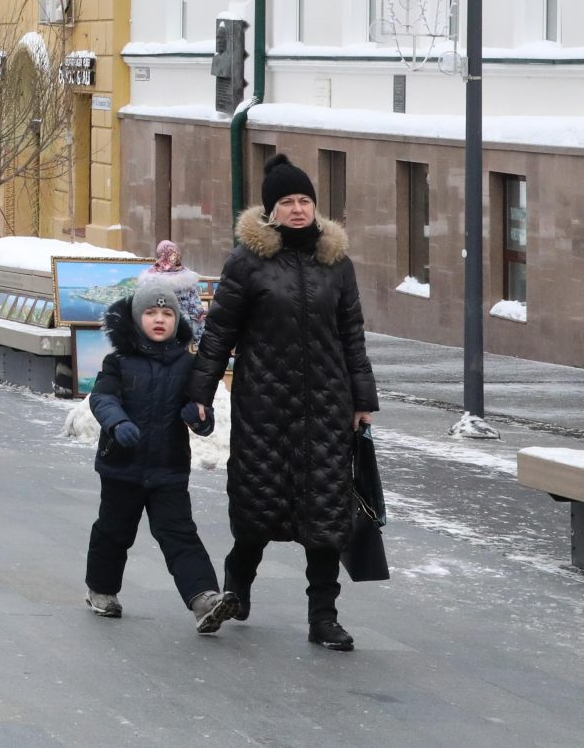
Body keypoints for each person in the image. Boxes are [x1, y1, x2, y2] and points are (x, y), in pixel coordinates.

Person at [184, 153, 380, 652]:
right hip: (264, 407)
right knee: (258, 507)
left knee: (325, 514)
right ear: (270, 210)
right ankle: (238, 585)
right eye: (288, 202)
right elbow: (219, 334)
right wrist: (199, 394)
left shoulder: (337, 263)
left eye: (305, 201)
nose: (298, 210)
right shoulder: (246, 262)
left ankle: (323, 617)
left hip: (327, 407)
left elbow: (352, 334)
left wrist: (363, 399)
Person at [85, 286, 228, 629]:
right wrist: (117, 423)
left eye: (167, 314)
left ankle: (204, 599)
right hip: (122, 465)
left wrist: (198, 417)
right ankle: (101, 590)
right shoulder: (118, 360)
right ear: (137, 318)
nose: (160, 320)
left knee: (179, 533)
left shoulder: (188, 363)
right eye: (151, 314)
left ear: (176, 320)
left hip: (169, 468)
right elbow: (102, 398)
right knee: (114, 532)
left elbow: (200, 411)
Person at [137, 239, 206, 337]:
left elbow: (140, 308)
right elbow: (196, 309)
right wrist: (198, 336)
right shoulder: (187, 278)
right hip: (182, 329)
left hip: (155, 327)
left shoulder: (148, 278)